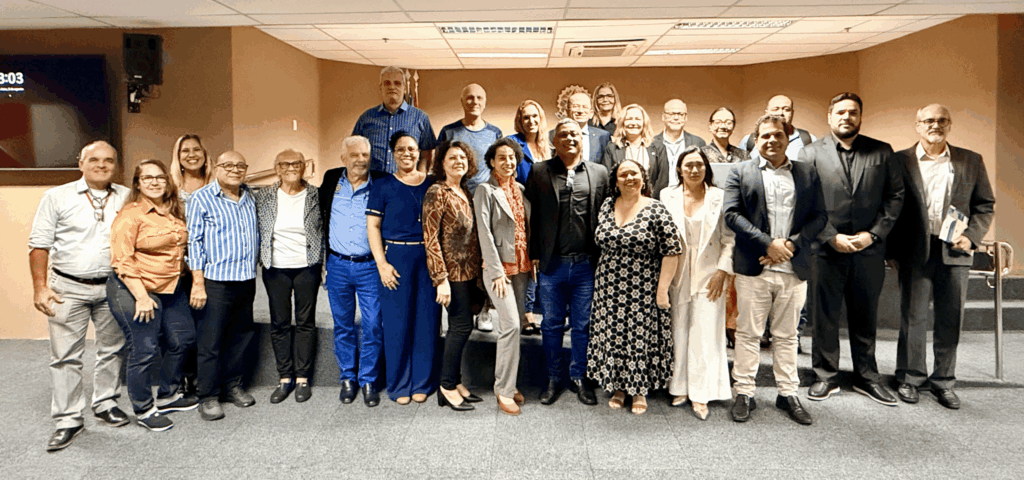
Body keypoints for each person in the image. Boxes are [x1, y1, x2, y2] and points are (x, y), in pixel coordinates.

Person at [799, 93, 904, 407]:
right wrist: (830, 236)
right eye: (841, 112)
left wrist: (873, 235)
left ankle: (867, 377)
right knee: (825, 316)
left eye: (853, 112)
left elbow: (895, 197)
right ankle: (825, 375)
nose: (847, 117)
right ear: (830, 116)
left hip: (868, 250)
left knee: (865, 316)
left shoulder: (882, 152)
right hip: (826, 250)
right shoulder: (810, 153)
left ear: (860, 116)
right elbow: (804, 199)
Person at [888, 104, 995, 409]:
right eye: (929, 121)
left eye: (942, 121)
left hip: (955, 250)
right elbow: (890, 207)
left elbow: (984, 205)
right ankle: (909, 378)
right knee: (913, 317)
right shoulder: (899, 161)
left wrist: (971, 237)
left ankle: (944, 381)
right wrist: (891, 250)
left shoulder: (970, 160)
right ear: (918, 125)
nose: (935, 125)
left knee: (950, 318)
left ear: (949, 125)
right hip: (915, 251)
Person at [724, 114, 828, 425]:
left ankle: (788, 393)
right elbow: (732, 215)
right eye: (765, 135)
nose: (772, 140)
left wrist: (791, 245)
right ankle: (744, 393)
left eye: (778, 135)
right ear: (756, 140)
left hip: (793, 268)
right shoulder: (740, 171)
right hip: (754, 266)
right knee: (748, 334)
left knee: (787, 335)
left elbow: (820, 217)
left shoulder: (807, 172)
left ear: (787, 138)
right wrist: (768, 244)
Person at [29, 140, 131, 451]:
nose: (102, 165)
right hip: (67, 288)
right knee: (65, 356)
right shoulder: (56, 197)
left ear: (116, 166)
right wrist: (40, 288)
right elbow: (39, 245)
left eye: (108, 160)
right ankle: (68, 419)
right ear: (81, 163)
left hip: (112, 286)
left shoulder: (127, 196)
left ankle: (106, 403)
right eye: (94, 159)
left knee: (112, 349)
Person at [107, 159, 197, 432]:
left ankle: (168, 395)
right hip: (134, 288)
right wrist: (141, 298)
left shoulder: (175, 211)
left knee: (183, 339)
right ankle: (144, 408)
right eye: (147, 178)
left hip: (171, 287)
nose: (155, 182)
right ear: (138, 183)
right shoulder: (130, 214)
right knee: (144, 349)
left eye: (160, 177)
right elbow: (122, 259)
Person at [587, 159, 682, 415]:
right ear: (615, 182)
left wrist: (662, 291)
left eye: (634, 173)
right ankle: (619, 387)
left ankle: (639, 390)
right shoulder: (607, 205)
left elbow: (672, 250)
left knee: (639, 338)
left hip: (643, 287)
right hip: (609, 287)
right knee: (614, 337)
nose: (629, 178)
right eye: (623, 174)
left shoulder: (656, 208)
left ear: (643, 178)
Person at [526, 118, 610, 406]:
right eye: (563, 135)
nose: (570, 138)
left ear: (582, 139)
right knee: (551, 324)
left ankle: (579, 377)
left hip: (586, 265)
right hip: (552, 265)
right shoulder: (539, 171)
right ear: (554, 141)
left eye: (575, 134)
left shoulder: (599, 172)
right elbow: (532, 217)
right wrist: (534, 254)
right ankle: (553, 377)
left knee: (582, 325)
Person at [662, 147, 735, 420]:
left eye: (699, 165)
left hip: (710, 273)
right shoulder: (666, 195)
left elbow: (729, 239)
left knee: (705, 331)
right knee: (679, 328)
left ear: (707, 168)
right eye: (688, 165)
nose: (694, 170)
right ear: (679, 169)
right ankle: (679, 387)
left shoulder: (719, 196)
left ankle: (701, 393)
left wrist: (722, 271)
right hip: (678, 270)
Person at [367, 131, 439, 405]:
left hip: (428, 257)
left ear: (419, 152)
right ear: (393, 154)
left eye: (412, 149)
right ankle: (399, 384)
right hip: (395, 258)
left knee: (427, 321)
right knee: (397, 323)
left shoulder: (432, 184)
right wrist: (382, 264)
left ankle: (422, 382)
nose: (407, 153)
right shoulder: (382, 186)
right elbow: (373, 226)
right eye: (401, 149)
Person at [187, 151, 260, 421]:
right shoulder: (201, 198)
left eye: (240, 165)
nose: (235, 170)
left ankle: (232, 386)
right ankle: (207, 396)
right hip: (214, 281)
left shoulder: (249, 196)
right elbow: (193, 242)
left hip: (245, 279)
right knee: (210, 341)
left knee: (240, 337)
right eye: (228, 165)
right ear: (216, 168)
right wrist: (198, 283)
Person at [321, 136, 388, 407]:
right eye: (354, 155)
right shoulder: (330, 180)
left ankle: (368, 379)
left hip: (370, 266)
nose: (360, 160)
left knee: (373, 324)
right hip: (337, 266)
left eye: (365, 155)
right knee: (343, 325)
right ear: (343, 159)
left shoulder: (381, 182)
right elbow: (321, 218)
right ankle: (348, 377)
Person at [254, 150, 324, 404]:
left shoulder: (316, 194)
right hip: (275, 268)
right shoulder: (264, 196)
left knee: (305, 322)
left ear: (304, 167)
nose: (291, 167)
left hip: (307, 266)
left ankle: (303, 378)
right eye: (285, 164)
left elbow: (325, 229)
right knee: (279, 322)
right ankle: (285, 377)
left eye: (297, 163)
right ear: (277, 168)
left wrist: (325, 265)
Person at [423, 141, 485, 412]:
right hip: (451, 274)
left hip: (469, 271)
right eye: (452, 157)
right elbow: (430, 238)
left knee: (464, 327)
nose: (458, 161)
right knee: (459, 328)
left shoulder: (466, 190)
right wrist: (440, 279)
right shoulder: (437, 191)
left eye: (462, 157)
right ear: (442, 163)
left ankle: (456, 381)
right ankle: (446, 386)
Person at [474, 138, 532, 415]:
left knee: (516, 327)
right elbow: (484, 232)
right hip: (499, 269)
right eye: (502, 158)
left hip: (521, 267)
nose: (508, 162)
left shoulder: (520, 189)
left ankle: (510, 382)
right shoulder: (485, 190)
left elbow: (525, 227)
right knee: (510, 326)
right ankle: (504, 389)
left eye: (512, 157)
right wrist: (496, 271)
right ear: (491, 162)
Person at [169, 133, 211, 399]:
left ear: (205, 154)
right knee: (182, 324)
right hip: (179, 264)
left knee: (207, 322)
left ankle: (204, 375)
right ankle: (185, 375)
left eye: (197, 149)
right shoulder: (170, 187)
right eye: (185, 151)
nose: (192, 155)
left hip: (212, 263)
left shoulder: (216, 183)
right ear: (178, 156)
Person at [507, 100, 549, 333]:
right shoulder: (514, 143)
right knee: (526, 261)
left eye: (535, 116)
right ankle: (526, 313)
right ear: (520, 121)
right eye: (526, 117)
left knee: (541, 260)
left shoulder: (548, 144)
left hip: (546, 211)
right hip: (522, 209)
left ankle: (540, 311)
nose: (531, 121)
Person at [352, 66, 437, 174]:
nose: (392, 87)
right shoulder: (366, 118)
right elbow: (354, 151)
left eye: (397, 83)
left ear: (405, 88)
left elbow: (426, 154)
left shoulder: (420, 118)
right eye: (387, 83)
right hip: (373, 181)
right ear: (380, 87)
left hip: (406, 182)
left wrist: (420, 178)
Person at [437, 83, 503, 193]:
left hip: (486, 194)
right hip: (456, 194)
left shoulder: (495, 133)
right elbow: (438, 167)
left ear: (484, 102)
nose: (475, 102)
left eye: (479, 98)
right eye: (470, 98)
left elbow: (499, 167)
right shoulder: (448, 132)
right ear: (462, 101)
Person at [600, 104, 670, 199]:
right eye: (629, 119)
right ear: (622, 122)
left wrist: (649, 202)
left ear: (644, 123)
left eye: (638, 119)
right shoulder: (612, 148)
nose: (633, 123)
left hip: (650, 201)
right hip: (621, 201)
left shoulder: (658, 147)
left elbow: (663, 180)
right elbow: (608, 180)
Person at [739, 94, 816, 160]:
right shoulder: (748, 141)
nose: (780, 113)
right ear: (766, 113)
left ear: (792, 113)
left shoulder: (809, 140)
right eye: (775, 109)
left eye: (786, 109)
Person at [653, 99, 707, 187]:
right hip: (658, 194)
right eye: (671, 114)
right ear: (663, 116)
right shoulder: (652, 143)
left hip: (689, 192)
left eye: (680, 114)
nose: (676, 118)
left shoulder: (698, 142)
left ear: (685, 117)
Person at [549, 86, 611, 163]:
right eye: (576, 106)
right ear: (567, 111)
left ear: (591, 113)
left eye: (585, 107)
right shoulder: (551, 135)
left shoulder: (604, 137)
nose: (580, 111)